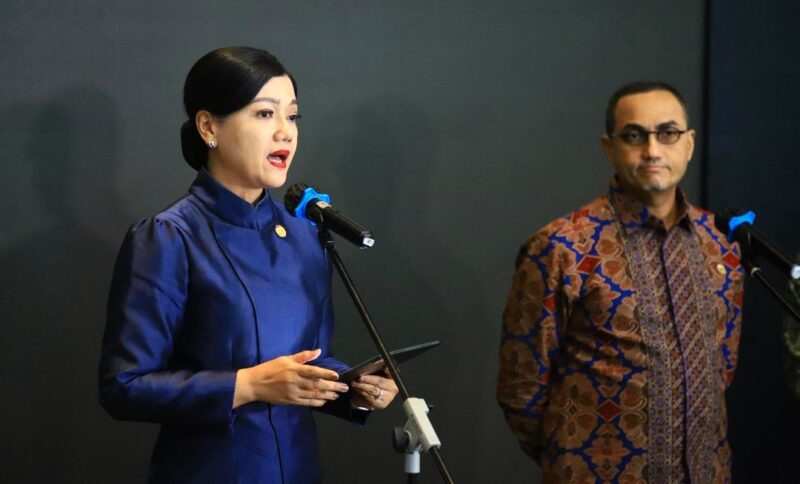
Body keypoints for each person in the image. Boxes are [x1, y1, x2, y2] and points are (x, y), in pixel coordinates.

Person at [98, 46, 398, 484]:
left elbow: (313, 359)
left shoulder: (306, 235)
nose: (285, 133)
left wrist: (354, 389)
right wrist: (248, 386)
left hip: (297, 469)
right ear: (208, 126)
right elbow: (123, 386)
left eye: (292, 116)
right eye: (264, 114)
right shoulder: (169, 236)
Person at [497, 81, 744, 483]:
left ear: (690, 143)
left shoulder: (722, 246)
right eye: (634, 135)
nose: (652, 150)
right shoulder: (563, 247)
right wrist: (573, 455)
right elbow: (521, 387)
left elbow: (722, 370)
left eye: (668, 133)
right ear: (609, 148)